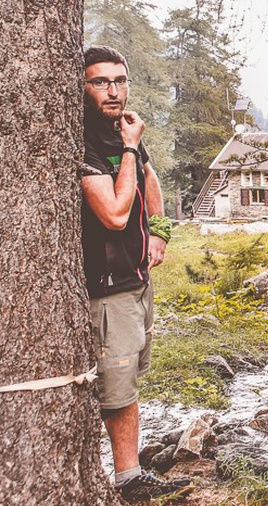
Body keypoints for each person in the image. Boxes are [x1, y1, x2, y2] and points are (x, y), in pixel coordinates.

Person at [81, 45, 191, 502]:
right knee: (115, 388)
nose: (114, 91)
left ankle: (128, 473)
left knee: (128, 381)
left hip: (137, 280)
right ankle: (127, 480)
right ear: (82, 88)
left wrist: (161, 232)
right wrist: (128, 146)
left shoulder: (124, 129)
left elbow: (150, 179)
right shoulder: (83, 138)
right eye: (101, 82)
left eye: (120, 80)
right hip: (105, 287)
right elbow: (113, 213)